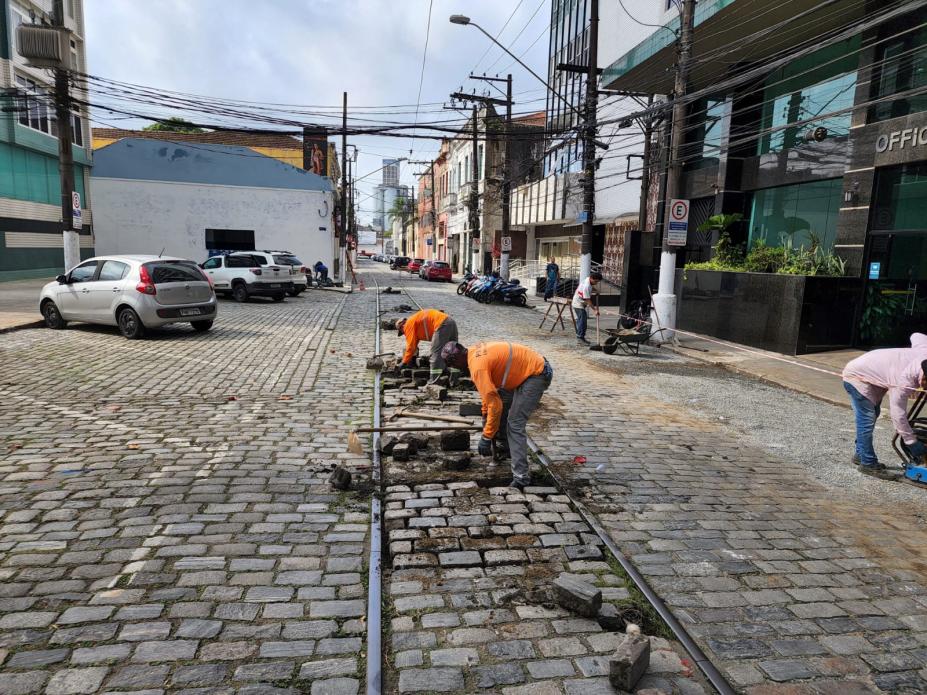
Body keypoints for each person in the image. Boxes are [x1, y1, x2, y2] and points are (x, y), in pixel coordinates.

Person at [441, 341, 553, 490]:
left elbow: (495, 406)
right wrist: (485, 414)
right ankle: (505, 450)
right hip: (525, 370)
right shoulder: (473, 353)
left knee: (514, 424)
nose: (456, 369)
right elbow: (489, 396)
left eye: (454, 365)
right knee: (500, 408)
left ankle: (521, 477)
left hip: (536, 374)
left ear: (457, 359)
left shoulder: (477, 367)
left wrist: (486, 436)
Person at [842, 332, 927, 476]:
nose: (924, 388)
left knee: (874, 414)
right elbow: (898, 413)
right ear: (924, 376)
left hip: (874, 373)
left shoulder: (924, 352)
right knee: (867, 420)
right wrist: (911, 441)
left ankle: (861, 454)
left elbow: (917, 335)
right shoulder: (904, 379)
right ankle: (868, 464)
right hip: (857, 376)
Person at [397, 309, 459, 383]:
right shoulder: (415, 321)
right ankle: (454, 380)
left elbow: (411, 346)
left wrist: (403, 362)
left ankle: (433, 381)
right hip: (450, 322)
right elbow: (414, 345)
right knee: (453, 352)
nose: (405, 334)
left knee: (436, 353)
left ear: (401, 326)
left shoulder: (407, 325)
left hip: (442, 324)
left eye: (402, 332)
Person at [572, 270, 601, 344]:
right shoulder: (586, 286)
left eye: (597, 282)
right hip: (578, 303)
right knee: (583, 321)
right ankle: (580, 338)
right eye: (596, 281)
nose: (596, 283)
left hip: (580, 302)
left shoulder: (588, 280)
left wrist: (596, 290)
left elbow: (592, 286)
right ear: (591, 278)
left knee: (580, 320)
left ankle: (580, 336)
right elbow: (588, 300)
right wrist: (595, 310)